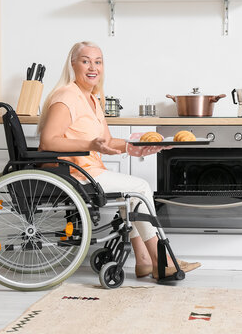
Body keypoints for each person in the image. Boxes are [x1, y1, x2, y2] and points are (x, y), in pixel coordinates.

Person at [38, 41, 200, 279]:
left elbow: (106, 140)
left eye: (98, 61)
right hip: (75, 173)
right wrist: (90, 144)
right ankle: (160, 260)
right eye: (86, 61)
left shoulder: (92, 99)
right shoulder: (66, 96)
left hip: (90, 170)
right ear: (73, 65)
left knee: (132, 197)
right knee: (140, 189)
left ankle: (144, 261)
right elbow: (48, 142)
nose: (93, 67)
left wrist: (140, 147)